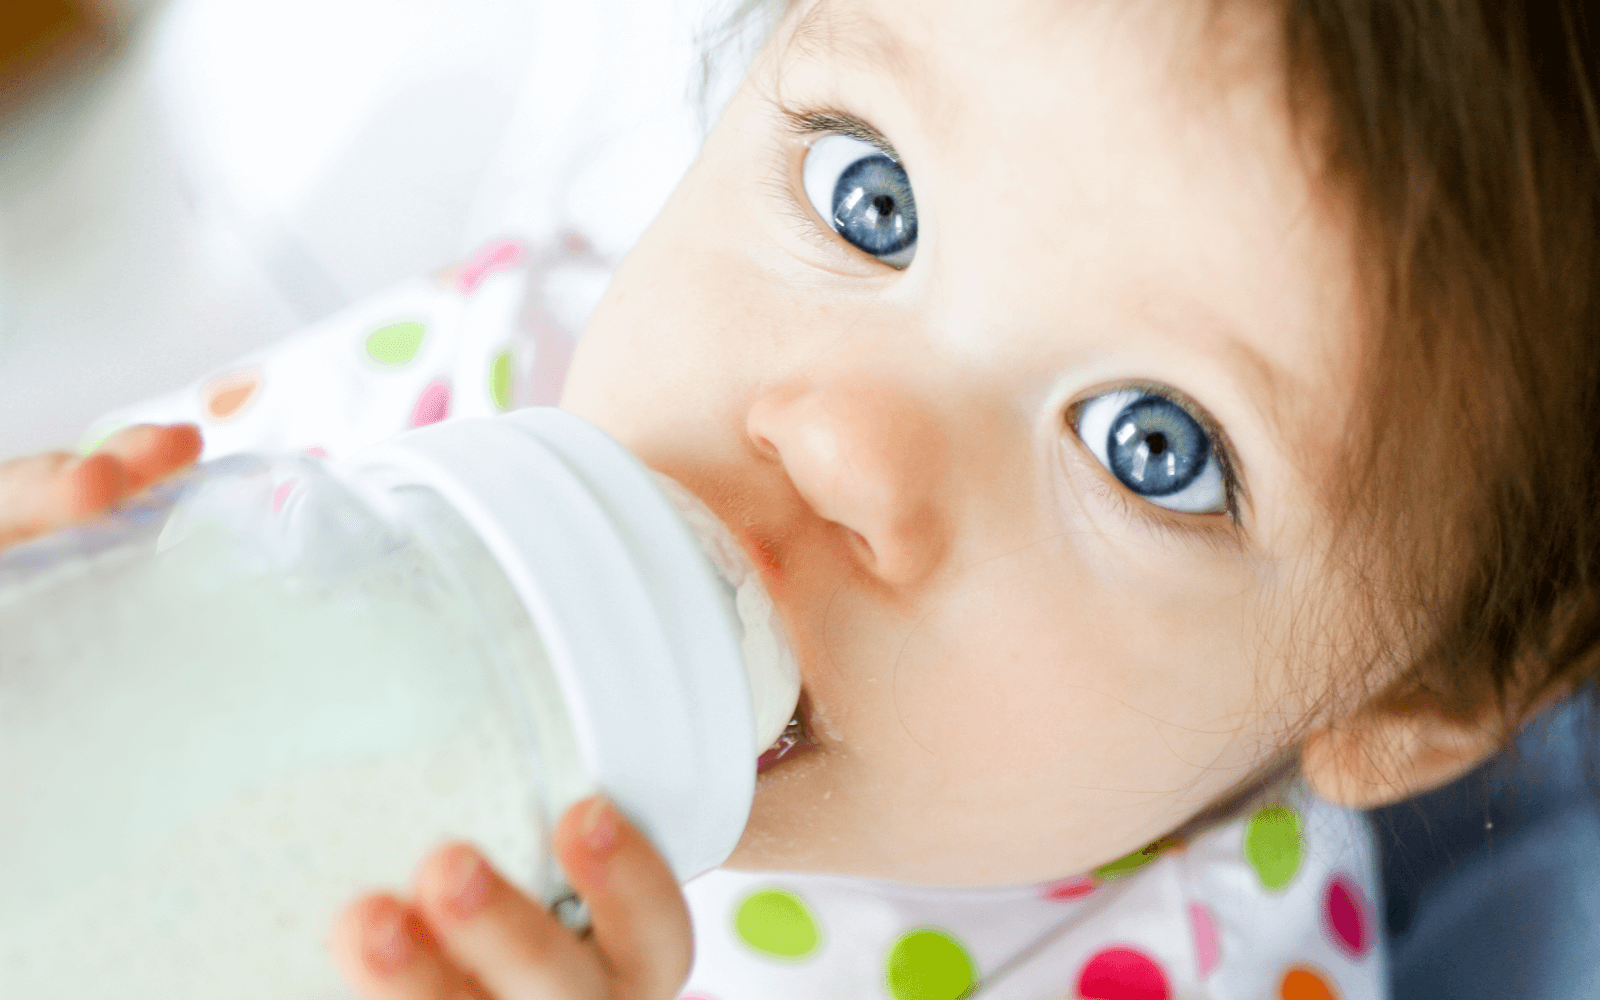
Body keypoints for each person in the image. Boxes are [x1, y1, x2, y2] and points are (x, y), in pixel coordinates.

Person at [3, 0, 1596, 997]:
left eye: (1149, 445)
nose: (838, 443)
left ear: (1412, 702)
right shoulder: (480, 386)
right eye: (870, 198)